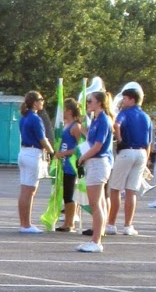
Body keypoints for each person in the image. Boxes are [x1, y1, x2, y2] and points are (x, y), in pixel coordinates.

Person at [106, 82, 151, 237]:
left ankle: (111, 224)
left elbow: (116, 124)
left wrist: (119, 138)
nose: (122, 101)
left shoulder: (125, 113)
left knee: (115, 189)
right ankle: (128, 225)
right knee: (131, 191)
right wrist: (147, 161)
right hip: (141, 153)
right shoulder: (146, 116)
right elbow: (149, 142)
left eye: (125, 98)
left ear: (132, 100)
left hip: (126, 151)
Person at [78, 87, 114, 252]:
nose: (87, 104)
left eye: (90, 101)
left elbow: (98, 146)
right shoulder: (96, 119)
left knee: (95, 204)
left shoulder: (103, 120)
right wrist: (82, 129)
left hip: (98, 163)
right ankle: (96, 238)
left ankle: (96, 241)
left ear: (99, 103)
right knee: (98, 202)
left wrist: (82, 157)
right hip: (94, 163)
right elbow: (91, 139)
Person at [17, 91, 50, 232]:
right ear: (35, 102)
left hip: (24, 152)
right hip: (33, 153)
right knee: (30, 190)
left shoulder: (24, 117)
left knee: (25, 189)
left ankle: (23, 223)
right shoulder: (35, 118)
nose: (42, 102)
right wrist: (52, 151)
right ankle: (27, 224)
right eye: (40, 99)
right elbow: (42, 139)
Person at [55, 99, 82, 232]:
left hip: (71, 164)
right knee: (65, 193)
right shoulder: (65, 125)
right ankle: (66, 221)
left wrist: (64, 153)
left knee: (69, 193)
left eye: (64, 110)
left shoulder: (75, 126)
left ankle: (70, 223)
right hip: (64, 164)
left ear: (69, 111)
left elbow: (80, 147)